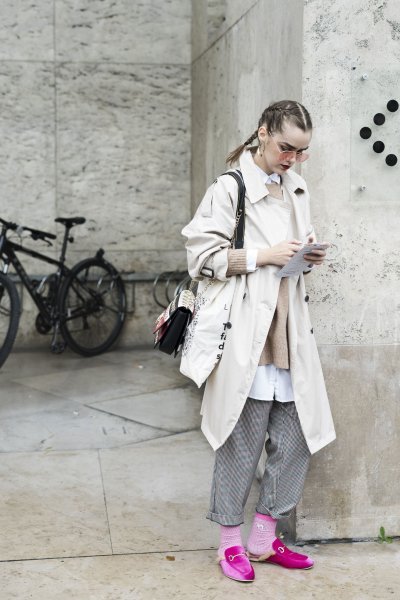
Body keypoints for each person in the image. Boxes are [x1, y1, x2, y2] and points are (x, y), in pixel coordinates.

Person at [181, 100, 336, 583]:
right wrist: (262, 256)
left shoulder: (296, 187)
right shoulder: (230, 188)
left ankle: (265, 539)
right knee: (241, 442)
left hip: (290, 331)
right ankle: (230, 543)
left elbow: (292, 249)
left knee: (296, 440)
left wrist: (305, 257)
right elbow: (200, 257)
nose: (292, 158)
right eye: (286, 146)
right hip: (248, 332)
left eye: (302, 151)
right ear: (264, 133)